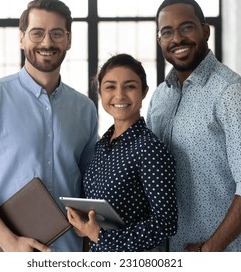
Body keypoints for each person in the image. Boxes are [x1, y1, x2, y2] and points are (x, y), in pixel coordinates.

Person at [0, 0, 98, 252]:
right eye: (37, 33)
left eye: (57, 33)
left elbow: (89, 182)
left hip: (68, 251)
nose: (47, 42)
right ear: (22, 38)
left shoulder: (85, 109)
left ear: (69, 39)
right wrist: (7, 240)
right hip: (7, 254)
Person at [146, 0, 241, 252]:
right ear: (160, 41)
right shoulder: (160, 96)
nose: (177, 38)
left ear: (205, 31)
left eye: (186, 27)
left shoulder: (232, 93)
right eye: (167, 32)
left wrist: (210, 249)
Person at [66, 53, 177, 252]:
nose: (120, 95)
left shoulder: (150, 149)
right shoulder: (101, 146)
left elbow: (166, 222)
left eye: (130, 86)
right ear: (100, 92)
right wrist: (85, 226)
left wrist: (100, 236)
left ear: (144, 92)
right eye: (110, 86)